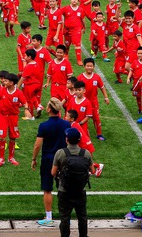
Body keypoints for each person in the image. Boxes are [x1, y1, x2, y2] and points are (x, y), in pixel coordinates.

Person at [31, 98, 71, 227]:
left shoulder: (44, 126)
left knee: (47, 188)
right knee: (64, 188)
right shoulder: (66, 125)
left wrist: (33, 159)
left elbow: (37, 145)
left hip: (49, 159)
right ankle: (65, 216)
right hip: (64, 159)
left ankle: (49, 217)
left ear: (49, 109)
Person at [51, 127, 93, 237]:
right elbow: (92, 170)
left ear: (67, 139)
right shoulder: (86, 153)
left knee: (65, 217)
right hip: (80, 190)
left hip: (64, 191)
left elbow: (53, 172)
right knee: (82, 216)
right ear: (79, 140)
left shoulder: (60, 153)